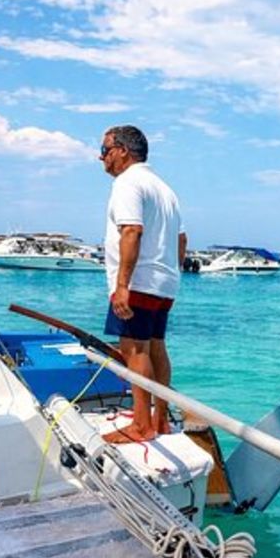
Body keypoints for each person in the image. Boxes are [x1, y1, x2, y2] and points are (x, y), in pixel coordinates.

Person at [98, 125, 186, 443]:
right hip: (165, 283)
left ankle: (141, 426)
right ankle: (160, 420)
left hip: (139, 281)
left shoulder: (128, 183)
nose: (101, 157)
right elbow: (181, 239)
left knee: (134, 349)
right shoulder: (165, 189)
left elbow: (131, 230)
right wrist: (172, 273)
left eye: (105, 150)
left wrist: (122, 285)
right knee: (156, 346)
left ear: (123, 150)